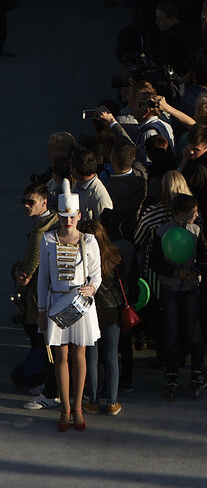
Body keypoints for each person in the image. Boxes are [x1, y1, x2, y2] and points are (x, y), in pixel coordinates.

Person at [37, 180, 102, 432]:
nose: (68, 221)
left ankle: (77, 407)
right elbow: (43, 277)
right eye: (64, 216)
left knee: (79, 355)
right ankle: (64, 407)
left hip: (80, 304)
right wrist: (42, 310)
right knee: (61, 356)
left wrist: (92, 288)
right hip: (56, 303)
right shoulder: (48, 239)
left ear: (78, 215)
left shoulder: (90, 240)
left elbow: (96, 274)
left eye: (71, 217)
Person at [149, 194, 207, 396]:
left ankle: (197, 369)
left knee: (193, 330)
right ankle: (172, 370)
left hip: (192, 287)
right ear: (181, 214)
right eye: (194, 212)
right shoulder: (162, 233)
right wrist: (176, 273)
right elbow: (155, 262)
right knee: (172, 331)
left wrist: (197, 272)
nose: (197, 215)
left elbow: (205, 255)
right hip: (170, 288)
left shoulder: (197, 230)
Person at [17, 184, 60, 411]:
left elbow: (30, 266)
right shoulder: (52, 223)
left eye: (31, 202)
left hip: (41, 298)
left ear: (44, 202)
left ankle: (49, 388)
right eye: (24, 201)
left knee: (44, 343)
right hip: (53, 295)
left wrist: (20, 285)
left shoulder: (40, 232)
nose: (26, 205)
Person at [82, 221, 126, 417]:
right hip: (112, 309)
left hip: (90, 310)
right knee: (111, 357)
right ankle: (112, 402)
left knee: (91, 358)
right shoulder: (114, 256)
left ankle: (92, 401)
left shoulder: (82, 258)